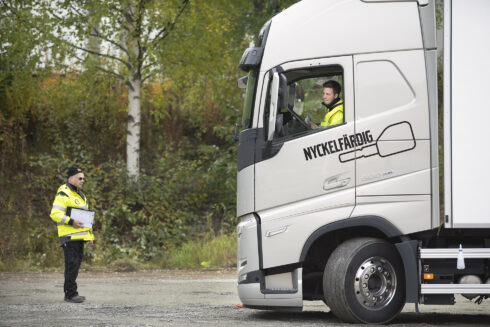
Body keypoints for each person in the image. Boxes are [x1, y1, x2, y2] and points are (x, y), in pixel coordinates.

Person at [50, 166, 94, 303]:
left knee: (75, 266)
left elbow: (86, 219)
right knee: (71, 265)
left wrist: (90, 236)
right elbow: (55, 214)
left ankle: (71, 293)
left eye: (84, 178)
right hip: (69, 237)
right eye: (80, 178)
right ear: (71, 178)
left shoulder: (81, 195)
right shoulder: (64, 193)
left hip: (79, 237)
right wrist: (71, 221)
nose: (83, 180)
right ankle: (70, 294)